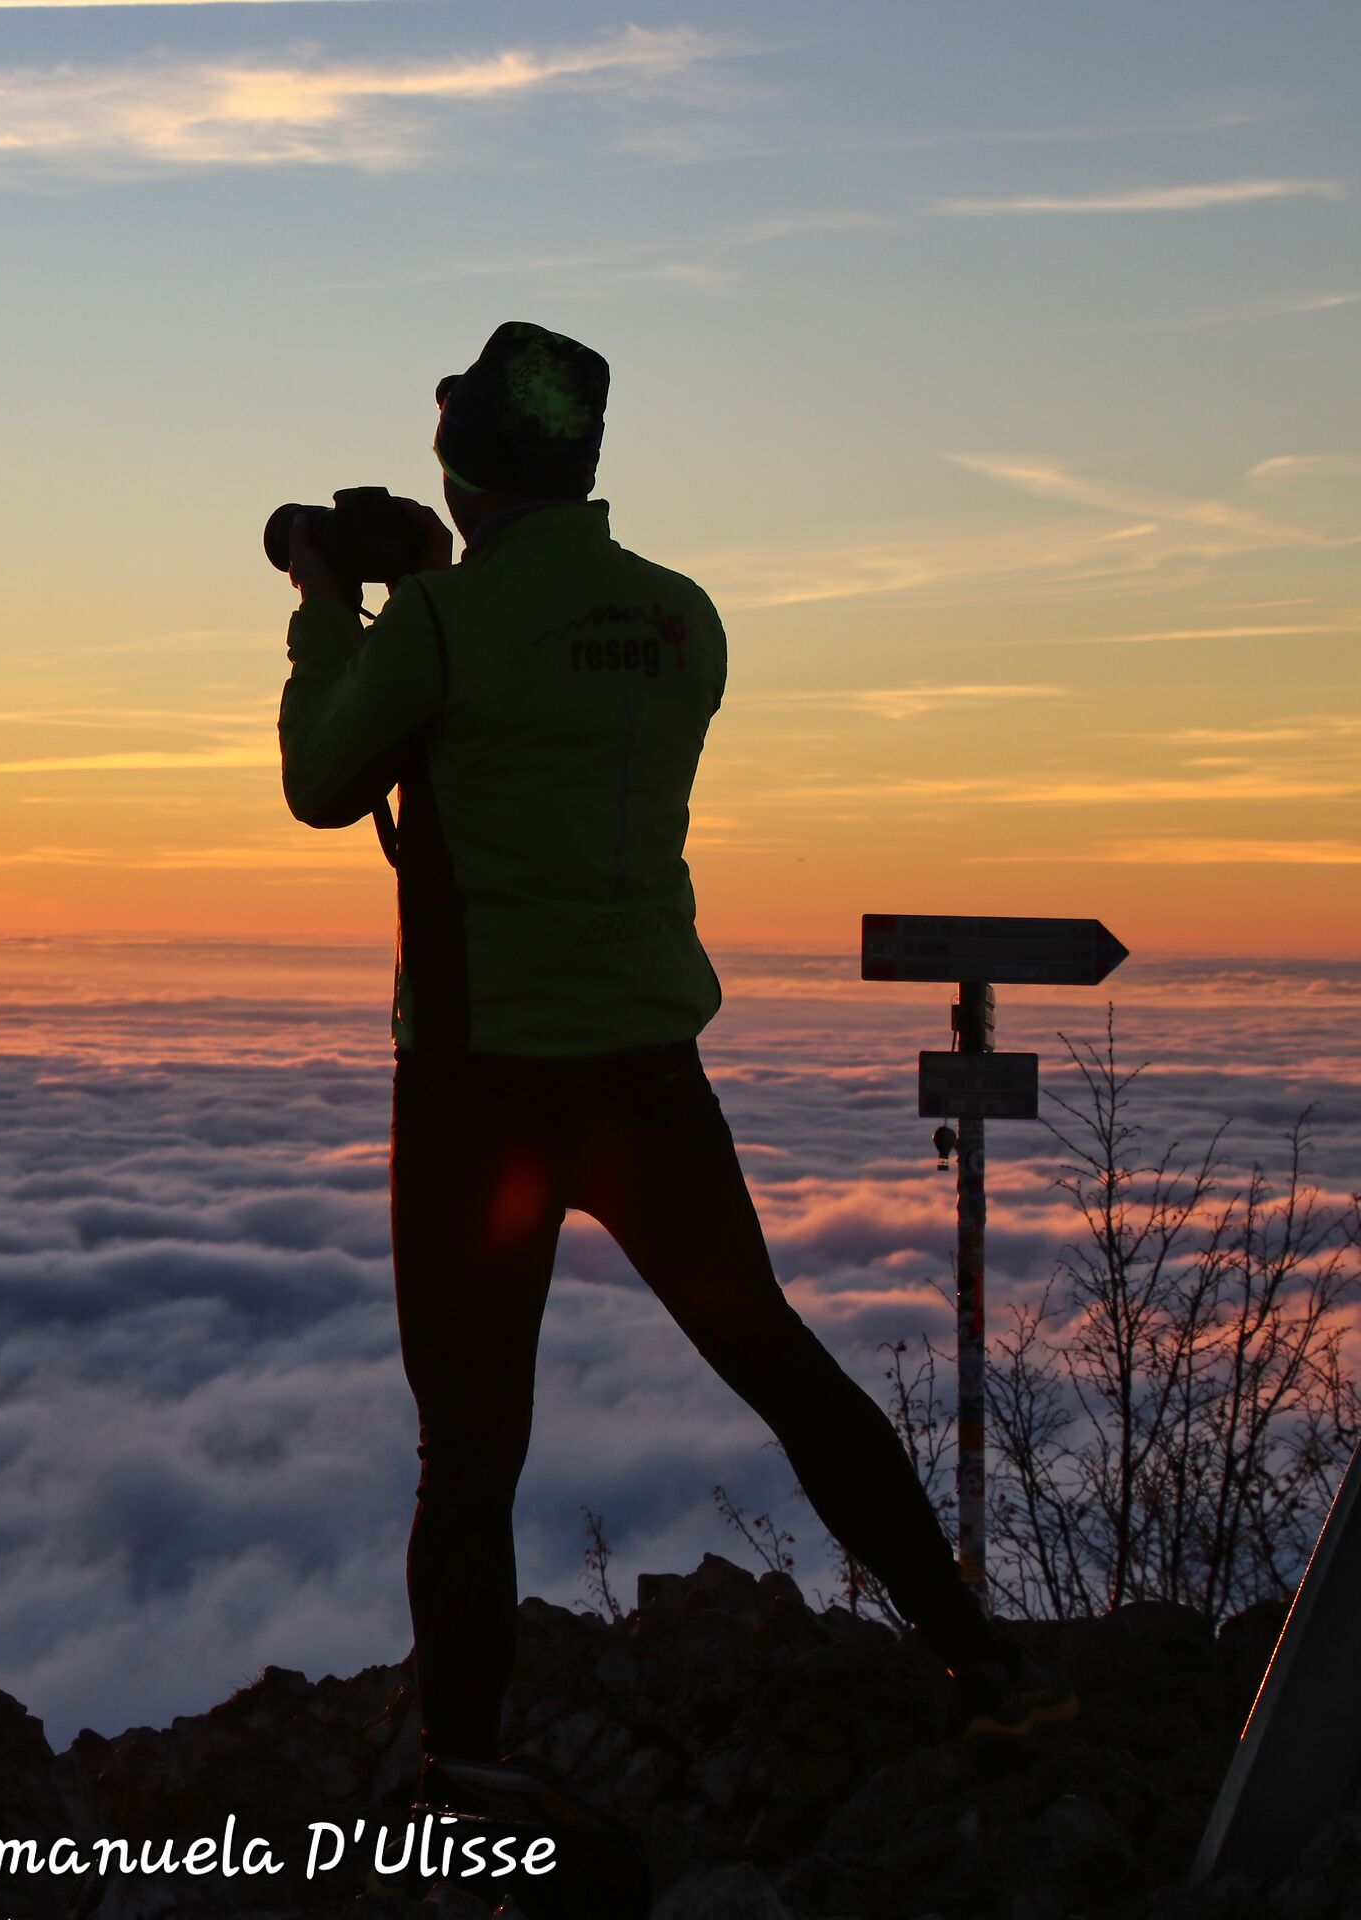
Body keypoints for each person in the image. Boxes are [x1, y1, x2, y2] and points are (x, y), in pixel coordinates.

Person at [274, 322, 1078, 1836]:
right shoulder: (681, 619)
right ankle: (981, 1654)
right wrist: (442, 592)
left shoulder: (441, 633)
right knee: (775, 1357)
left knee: (471, 1447)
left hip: (478, 1094)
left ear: (461, 459)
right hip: (646, 1079)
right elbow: (556, 709)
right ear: (585, 456)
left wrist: (334, 606)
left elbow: (327, 782)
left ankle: (465, 1758)